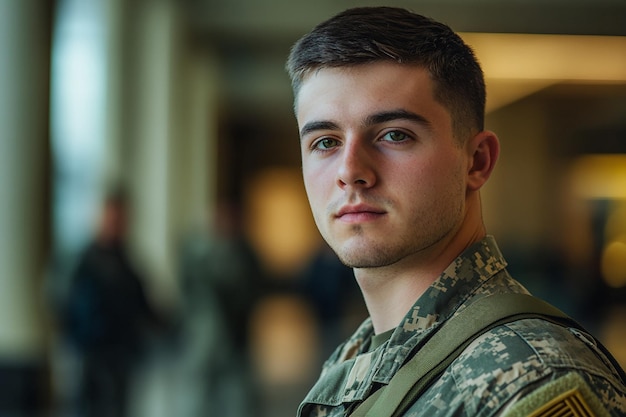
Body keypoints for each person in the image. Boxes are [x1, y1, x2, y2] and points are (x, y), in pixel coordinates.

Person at [285, 7, 626, 417]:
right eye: (325, 142)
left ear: (477, 161)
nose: (351, 172)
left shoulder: (529, 377)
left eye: (394, 135)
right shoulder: (359, 354)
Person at [63, 189, 164, 417]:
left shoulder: (128, 263)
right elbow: (65, 302)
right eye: (112, 217)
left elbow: (143, 304)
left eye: (120, 219)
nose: (116, 224)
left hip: (121, 353)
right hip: (90, 351)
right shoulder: (84, 260)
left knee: (117, 407)